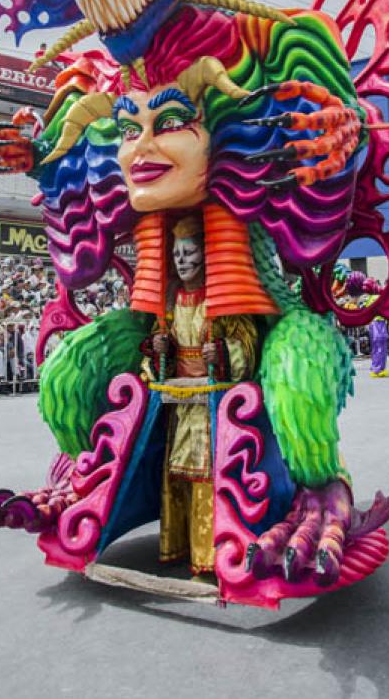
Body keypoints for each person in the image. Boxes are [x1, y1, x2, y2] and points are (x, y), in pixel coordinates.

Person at [142, 215, 257, 580]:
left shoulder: (224, 294)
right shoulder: (170, 296)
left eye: (189, 252)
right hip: (179, 401)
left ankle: (209, 554)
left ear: (206, 254)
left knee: (206, 475)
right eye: (177, 253)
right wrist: (158, 346)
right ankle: (179, 546)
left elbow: (249, 344)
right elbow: (153, 348)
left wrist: (222, 352)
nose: (181, 260)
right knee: (175, 474)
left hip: (211, 405)